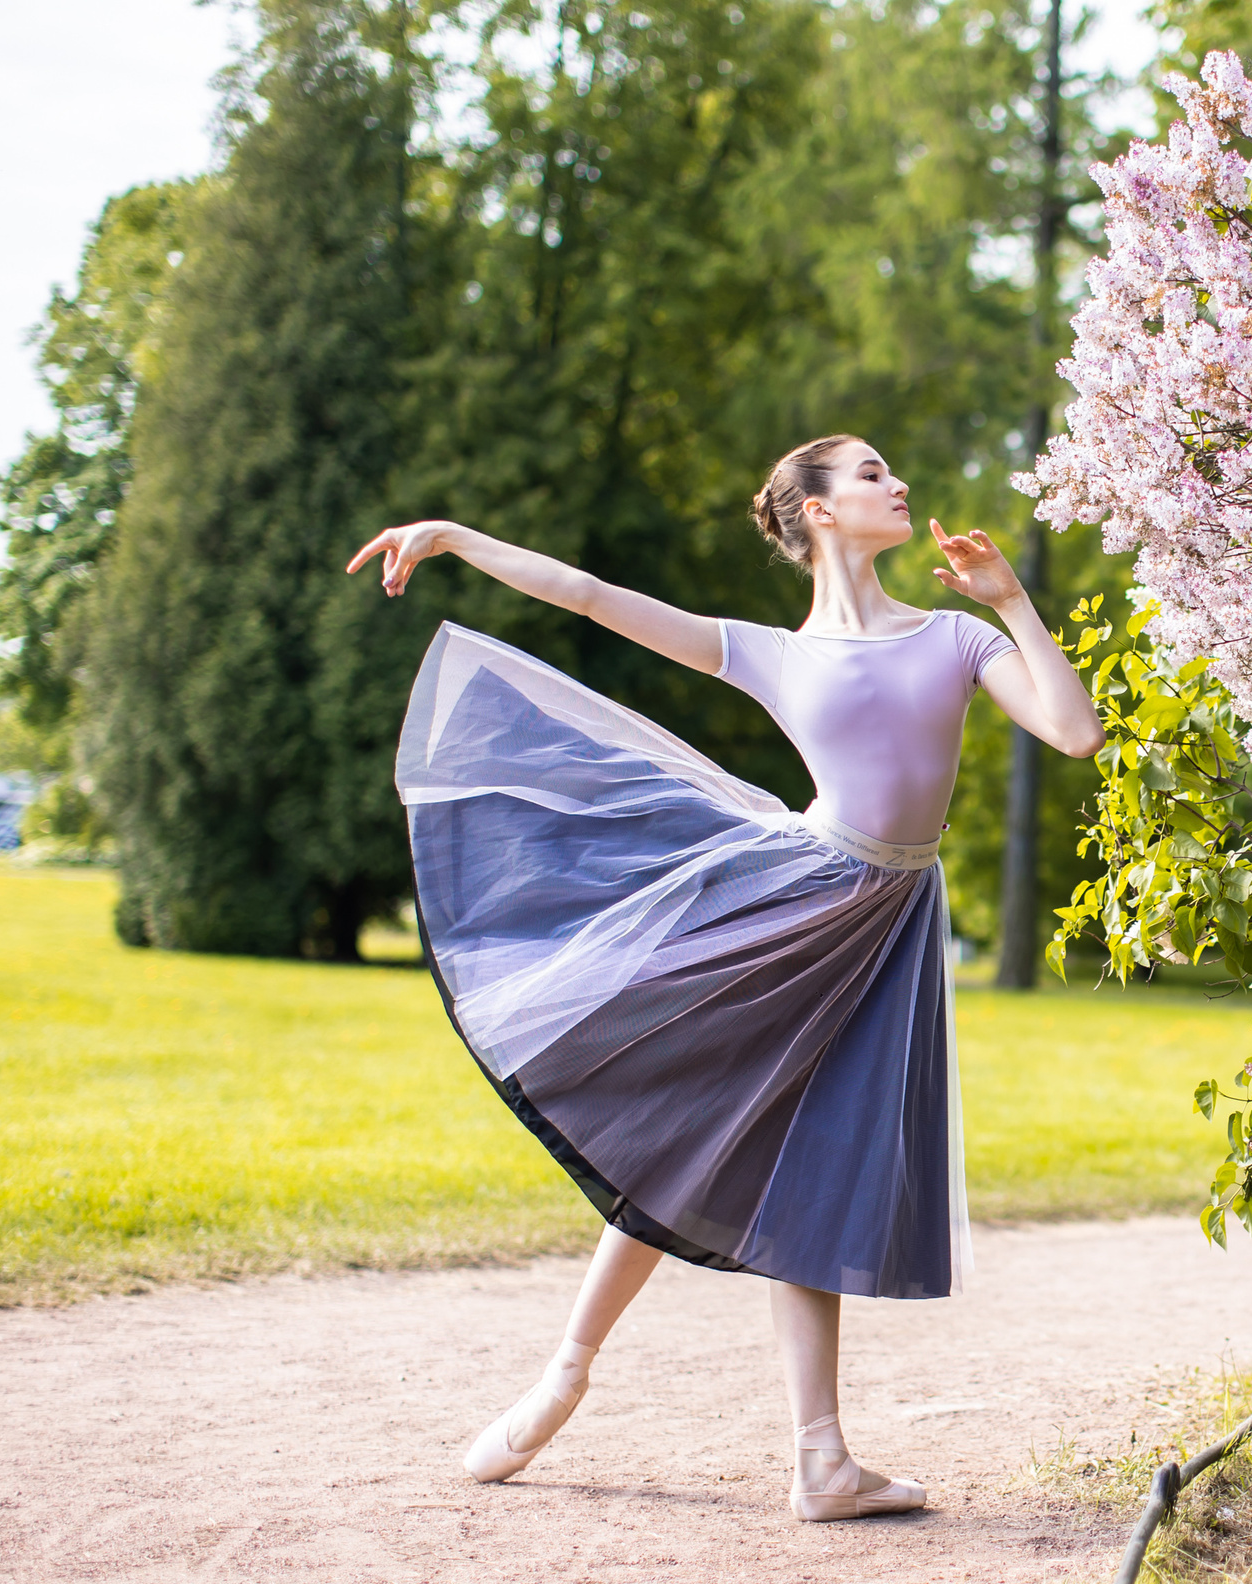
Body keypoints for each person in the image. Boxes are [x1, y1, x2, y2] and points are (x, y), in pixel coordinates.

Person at [343, 435, 1104, 1520]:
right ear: (820, 513)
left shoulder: (954, 638)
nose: (899, 485)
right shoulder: (770, 653)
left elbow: (1073, 734)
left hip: (885, 922)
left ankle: (822, 1462)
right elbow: (594, 597)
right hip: (792, 900)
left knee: (814, 1164)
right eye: (872, 474)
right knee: (689, 1122)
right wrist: (457, 537)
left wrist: (1012, 599)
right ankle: (566, 1370)